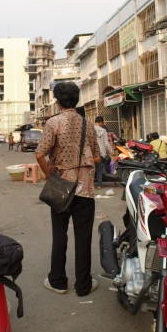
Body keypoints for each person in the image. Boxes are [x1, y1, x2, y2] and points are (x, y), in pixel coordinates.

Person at [36, 82, 101, 297]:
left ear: (57, 101)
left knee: (59, 235)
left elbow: (39, 154)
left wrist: (51, 176)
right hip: (85, 188)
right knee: (83, 237)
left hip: (61, 187)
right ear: (77, 100)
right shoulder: (88, 124)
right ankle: (83, 286)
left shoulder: (53, 123)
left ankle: (58, 281)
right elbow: (98, 157)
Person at [94, 116, 113, 188]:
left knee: (91, 170)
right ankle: (99, 185)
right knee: (99, 169)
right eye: (102, 123)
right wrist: (111, 151)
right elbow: (106, 143)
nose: (102, 124)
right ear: (100, 122)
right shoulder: (103, 131)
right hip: (101, 153)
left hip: (92, 153)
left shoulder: (90, 129)